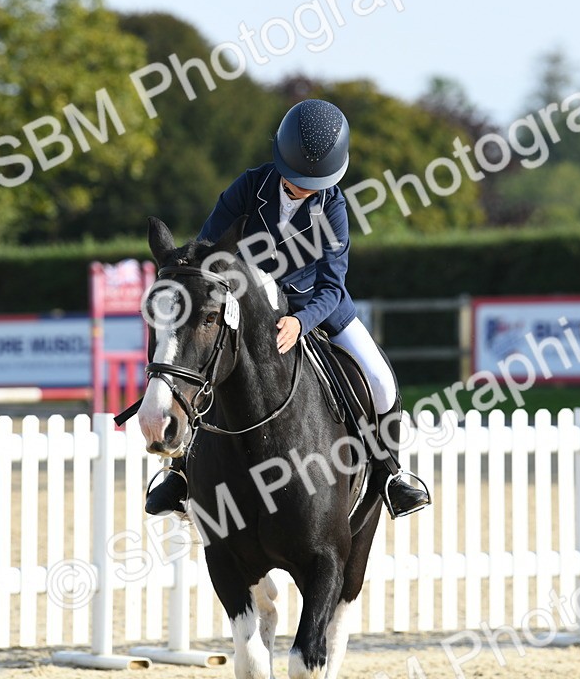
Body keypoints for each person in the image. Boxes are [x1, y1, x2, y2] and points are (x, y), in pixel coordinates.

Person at [145, 99, 432, 519]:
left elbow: (333, 286)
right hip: (248, 303)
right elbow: (208, 250)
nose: (302, 187)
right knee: (196, 361)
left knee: (381, 381)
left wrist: (301, 321)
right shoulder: (250, 186)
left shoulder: (333, 207)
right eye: (296, 179)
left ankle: (391, 473)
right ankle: (180, 472)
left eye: (313, 182)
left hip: (314, 305)